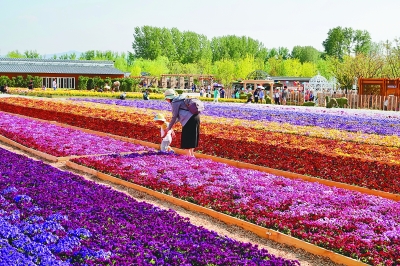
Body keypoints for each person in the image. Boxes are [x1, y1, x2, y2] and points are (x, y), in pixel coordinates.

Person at [163, 88, 200, 157]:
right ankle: (191, 155)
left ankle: (189, 157)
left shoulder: (174, 102)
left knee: (186, 139)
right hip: (196, 117)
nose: (166, 100)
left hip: (189, 120)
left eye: (166, 99)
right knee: (192, 138)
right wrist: (171, 124)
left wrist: (168, 128)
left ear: (168, 98)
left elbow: (174, 117)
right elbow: (178, 117)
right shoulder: (181, 98)